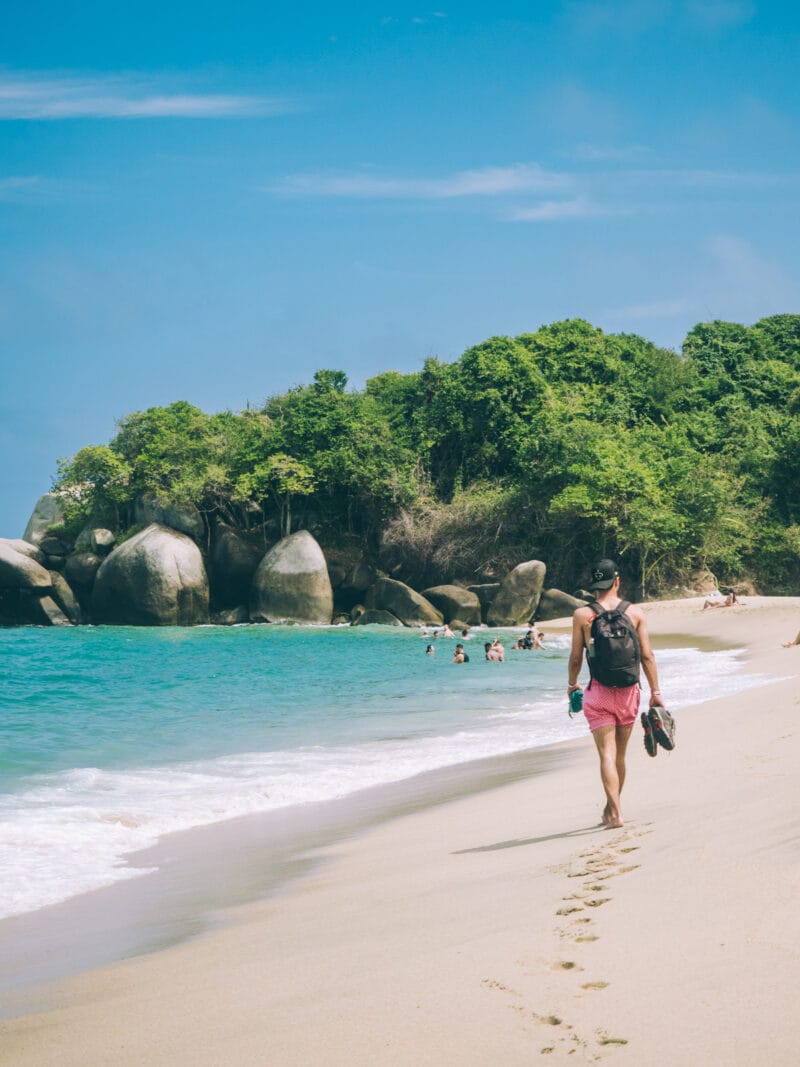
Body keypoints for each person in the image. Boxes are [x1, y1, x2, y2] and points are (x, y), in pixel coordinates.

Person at [568, 558, 665, 830]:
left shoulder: (582, 615)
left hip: (598, 694)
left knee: (606, 756)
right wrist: (655, 692)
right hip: (628, 694)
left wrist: (572, 684)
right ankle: (612, 808)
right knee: (620, 756)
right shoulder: (635, 612)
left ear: (595, 585)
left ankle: (615, 812)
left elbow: (576, 657)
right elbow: (647, 655)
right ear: (617, 581)